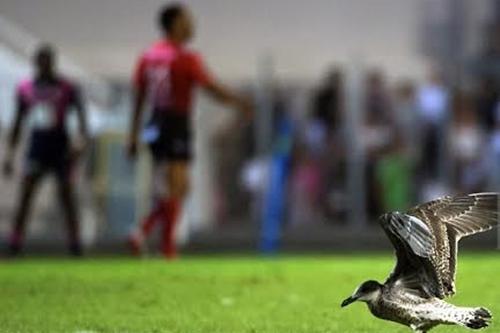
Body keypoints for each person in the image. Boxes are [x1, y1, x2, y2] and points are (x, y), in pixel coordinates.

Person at [127, 3, 251, 258]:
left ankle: (144, 232)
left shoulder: (148, 56)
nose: (191, 25)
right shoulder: (185, 58)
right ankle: (165, 247)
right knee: (176, 187)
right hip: (175, 123)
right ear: (174, 24)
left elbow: (139, 96)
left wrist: (132, 133)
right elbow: (211, 88)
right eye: (187, 20)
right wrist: (240, 102)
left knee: (179, 188)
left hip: (155, 123)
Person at [3, 44, 88, 256]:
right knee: (26, 193)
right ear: (36, 63)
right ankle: (15, 240)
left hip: (60, 147)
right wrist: (10, 154)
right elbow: (18, 122)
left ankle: (75, 242)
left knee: (67, 195)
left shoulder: (66, 88)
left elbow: (81, 119)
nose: (45, 65)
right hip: (37, 147)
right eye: (41, 61)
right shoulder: (26, 88)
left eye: (48, 61)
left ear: (53, 63)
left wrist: (80, 140)